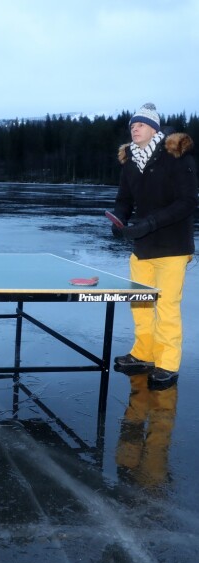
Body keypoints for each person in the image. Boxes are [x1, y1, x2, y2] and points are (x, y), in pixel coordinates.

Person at [112, 103, 198, 388]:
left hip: (172, 247)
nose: (133, 128)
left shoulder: (177, 157)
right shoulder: (131, 162)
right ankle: (144, 354)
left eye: (139, 124)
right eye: (131, 126)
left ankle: (167, 364)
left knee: (167, 307)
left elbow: (187, 202)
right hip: (142, 247)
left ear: (154, 129)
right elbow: (124, 199)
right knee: (141, 303)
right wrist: (120, 219)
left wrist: (149, 223)